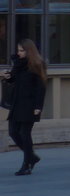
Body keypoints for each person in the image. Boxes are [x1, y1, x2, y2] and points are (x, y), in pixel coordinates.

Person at [3, 39, 47, 176]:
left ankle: (27, 164)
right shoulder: (18, 64)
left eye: (22, 50)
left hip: (29, 104)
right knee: (13, 132)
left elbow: (41, 87)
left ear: (29, 51)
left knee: (24, 133)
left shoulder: (37, 64)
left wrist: (38, 106)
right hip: (17, 103)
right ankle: (32, 157)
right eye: (18, 50)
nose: (19, 53)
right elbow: (13, 79)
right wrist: (7, 76)